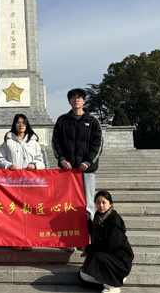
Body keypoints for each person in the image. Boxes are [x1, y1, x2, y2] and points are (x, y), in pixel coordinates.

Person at [0, 113, 46, 251]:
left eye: (23, 122)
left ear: (27, 124)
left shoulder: (34, 142)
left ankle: (29, 240)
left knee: (29, 212)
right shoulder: (8, 142)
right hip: (14, 183)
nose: (21, 125)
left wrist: (34, 165)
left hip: (30, 183)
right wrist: (8, 165)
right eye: (18, 122)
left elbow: (41, 160)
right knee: (15, 212)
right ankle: (16, 240)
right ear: (14, 125)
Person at [52, 87, 103, 219]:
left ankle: (90, 226)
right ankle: (68, 228)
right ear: (69, 101)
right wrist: (62, 159)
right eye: (73, 98)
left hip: (86, 169)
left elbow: (98, 144)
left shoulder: (92, 121)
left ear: (84, 101)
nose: (76, 100)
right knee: (66, 200)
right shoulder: (62, 120)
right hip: (67, 169)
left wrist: (88, 161)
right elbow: (55, 142)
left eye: (79, 97)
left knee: (88, 202)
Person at [79, 190, 134, 293]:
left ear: (110, 204)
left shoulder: (114, 220)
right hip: (108, 256)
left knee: (94, 258)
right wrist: (88, 221)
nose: (101, 205)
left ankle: (114, 284)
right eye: (98, 202)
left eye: (104, 202)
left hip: (120, 259)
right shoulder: (99, 216)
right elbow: (96, 232)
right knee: (83, 274)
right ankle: (115, 278)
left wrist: (89, 249)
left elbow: (109, 245)